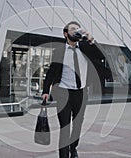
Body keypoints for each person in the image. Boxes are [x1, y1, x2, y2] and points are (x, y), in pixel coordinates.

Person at [42, 21, 103, 158]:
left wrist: (90, 39)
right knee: (65, 128)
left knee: (77, 126)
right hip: (63, 93)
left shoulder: (85, 48)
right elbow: (51, 72)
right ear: (66, 33)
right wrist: (45, 91)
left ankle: (73, 147)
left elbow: (101, 56)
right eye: (73, 29)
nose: (76, 31)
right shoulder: (59, 51)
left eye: (78, 29)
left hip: (81, 93)